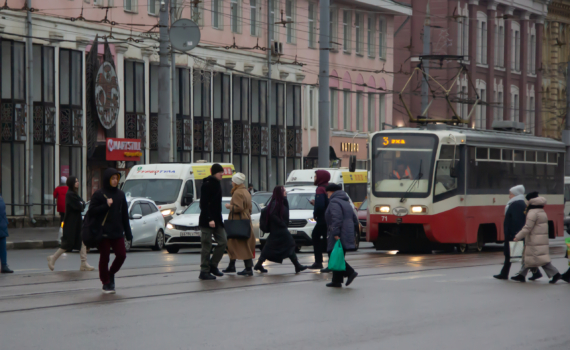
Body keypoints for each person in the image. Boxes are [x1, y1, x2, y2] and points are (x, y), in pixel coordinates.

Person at [88, 168, 133, 294]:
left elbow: (124, 215)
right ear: (107, 179)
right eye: (112, 178)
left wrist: (128, 234)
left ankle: (111, 273)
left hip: (117, 231)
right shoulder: (99, 194)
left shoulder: (120, 194)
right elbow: (92, 211)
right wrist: (105, 205)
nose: (115, 181)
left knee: (121, 255)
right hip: (103, 232)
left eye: (116, 178)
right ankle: (106, 282)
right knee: (105, 256)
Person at [254, 186, 307, 274]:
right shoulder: (276, 203)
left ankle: (259, 264)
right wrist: (281, 223)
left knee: (270, 247)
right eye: (284, 191)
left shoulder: (281, 201)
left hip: (278, 230)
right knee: (290, 244)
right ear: (279, 192)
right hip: (279, 229)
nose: (285, 192)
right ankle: (297, 265)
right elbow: (272, 214)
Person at [511, 192, 562, 284]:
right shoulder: (541, 210)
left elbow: (527, 227)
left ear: (531, 201)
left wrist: (517, 237)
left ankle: (556, 274)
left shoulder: (533, 212)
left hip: (534, 240)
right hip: (539, 239)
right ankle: (521, 275)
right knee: (530, 258)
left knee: (540, 260)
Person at [47, 176, 95, 272]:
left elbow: (83, 204)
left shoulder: (74, 194)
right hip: (71, 224)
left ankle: (83, 263)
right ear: (71, 183)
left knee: (82, 242)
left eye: (77, 181)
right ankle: (53, 258)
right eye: (75, 181)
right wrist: (81, 204)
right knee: (67, 244)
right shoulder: (70, 194)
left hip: (76, 222)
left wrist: (81, 204)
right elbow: (80, 206)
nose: (77, 183)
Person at [324, 183, 358, 288]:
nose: (327, 195)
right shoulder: (345, 202)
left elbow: (336, 218)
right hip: (347, 232)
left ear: (332, 192)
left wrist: (335, 233)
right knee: (338, 255)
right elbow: (354, 218)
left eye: (328, 193)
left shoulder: (334, 202)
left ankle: (350, 272)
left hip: (339, 232)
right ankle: (336, 281)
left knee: (333, 254)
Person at [223, 173, 257, 276]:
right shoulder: (246, 192)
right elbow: (249, 208)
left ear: (236, 182)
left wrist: (229, 206)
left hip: (238, 220)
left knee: (238, 243)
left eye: (232, 181)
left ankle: (247, 268)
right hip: (245, 219)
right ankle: (232, 265)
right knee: (236, 243)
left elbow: (239, 207)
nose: (231, 182)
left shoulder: (237, 193)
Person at [198, 164, 227, 280]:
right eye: (221, 172)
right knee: (206, 245)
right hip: (207, 221)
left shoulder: (218, 184)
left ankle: (213, 265)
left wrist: (219, 220)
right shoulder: (207, 185)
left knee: (223, 242)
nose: (222, 174)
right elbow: (203, 205)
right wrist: (210, 219)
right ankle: (204, 271)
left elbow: (216, 206)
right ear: (215, 172)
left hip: (217, 221)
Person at [493, 185, 527, 280]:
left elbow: (516, 221)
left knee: (515, 255)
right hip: (513, 233)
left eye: (510, 194)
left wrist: (514, 234)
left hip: (513, 234)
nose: (509, 196)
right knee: (510, 254)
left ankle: (505, 274)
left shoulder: (517, 204)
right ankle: (504, 273)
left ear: (515, 194)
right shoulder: (517, 203)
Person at [308, 170, 330, 271]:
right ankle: (328, 262)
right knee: (327, 239)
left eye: (316, 176)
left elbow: (320, 206)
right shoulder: (328, 187)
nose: (314, 178)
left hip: (322, 219)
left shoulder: (320, 189)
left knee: (316, 237)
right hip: (329, 218)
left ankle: (318, 262)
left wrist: (315, 214)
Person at [0, 193, 13, 273]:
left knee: (2, 247)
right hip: (2, 226)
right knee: (2, 248)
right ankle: (4, 265)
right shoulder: (1, 198)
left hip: (2, 226)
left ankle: (4, 265)